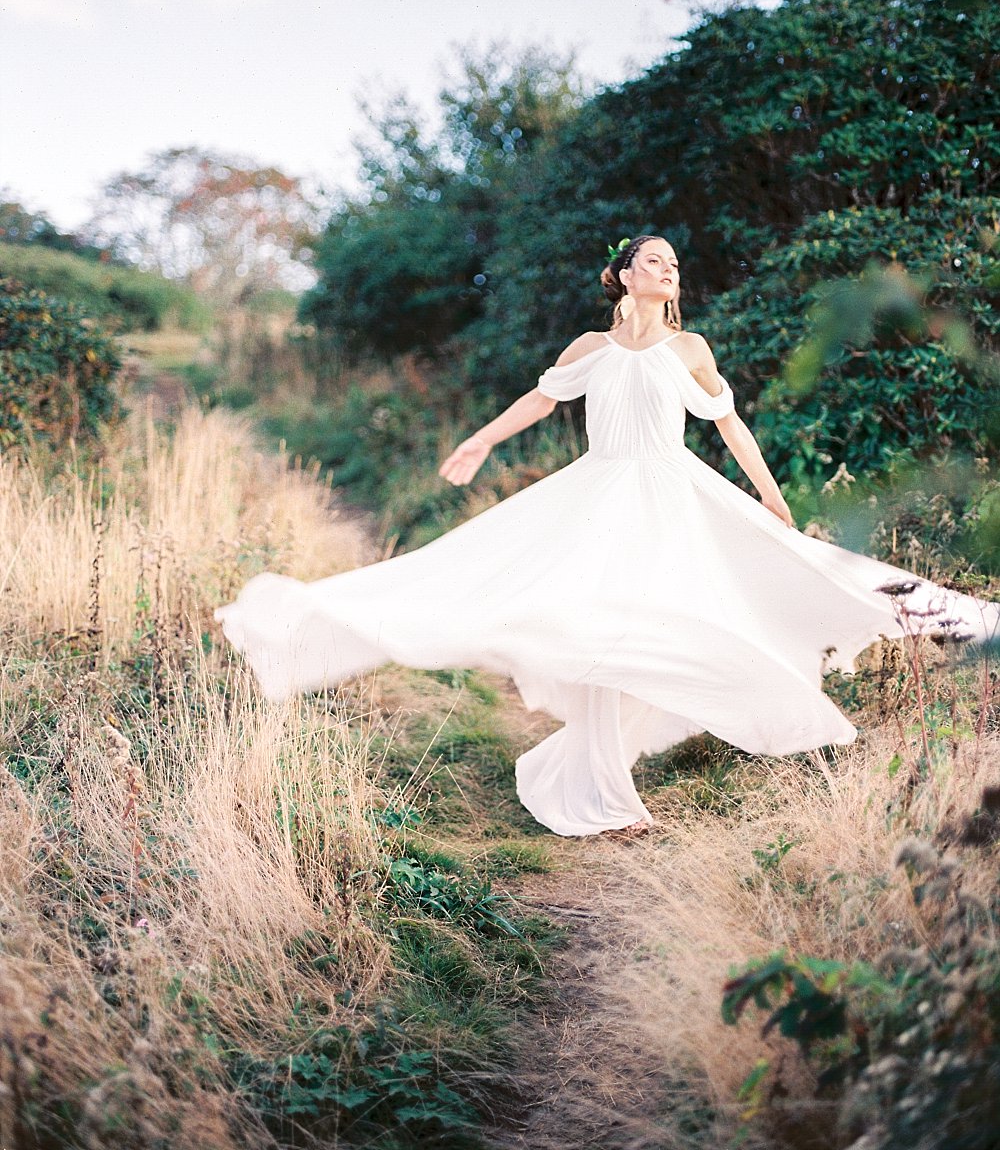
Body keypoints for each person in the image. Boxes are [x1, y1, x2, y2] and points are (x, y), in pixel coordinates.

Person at [215, 235, 999, 839]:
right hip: (598, 496)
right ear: (624, 276)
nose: (669, 271)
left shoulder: (689, 349)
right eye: (654, 261)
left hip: (674, 493)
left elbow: (728, 422)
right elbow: (538, 400)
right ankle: (599, 791)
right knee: (580, 618)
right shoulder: (589, 350)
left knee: (797, 575)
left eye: (675, 266)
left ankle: (959, 621)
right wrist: (482, 441)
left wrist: (769, 494)